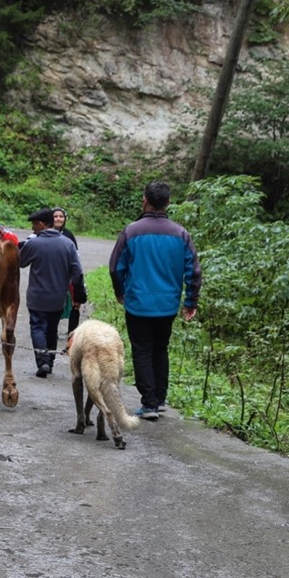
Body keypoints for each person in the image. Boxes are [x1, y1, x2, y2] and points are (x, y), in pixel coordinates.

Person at [109, 180, 201, 421]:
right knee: (160, 349)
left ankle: (149, 403)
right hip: (168, 305)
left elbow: (115, 267)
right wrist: (191, 301)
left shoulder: (131, 231)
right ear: (168, 203)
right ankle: (159, 399)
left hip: (138, 303)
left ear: (144, 200)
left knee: (141, 351)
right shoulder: (181, 233)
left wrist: (120, 291)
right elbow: (193, 270)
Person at [20, 207, 84, 378]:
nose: (33, 229)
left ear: (41, 224)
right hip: (58, 298)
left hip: (37, 297)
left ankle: (43, 362)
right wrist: (79, 294)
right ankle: (51, 361)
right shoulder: (68, 244)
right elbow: (77, 272)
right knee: (52, 330)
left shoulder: (34, 243)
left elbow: (21, 262)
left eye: (34, 225)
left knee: (37, 327)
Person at [52, 207, 84, 335]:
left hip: (68, 273)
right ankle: (52, 331)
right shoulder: (44, 233)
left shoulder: (69, 235)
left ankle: (72, 333)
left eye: (61, 216)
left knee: (74, 303)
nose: (58, 219)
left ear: (65, 219)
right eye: (55, 216)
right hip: (52, 274)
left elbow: (76, 257)